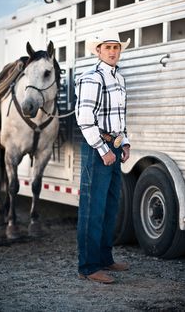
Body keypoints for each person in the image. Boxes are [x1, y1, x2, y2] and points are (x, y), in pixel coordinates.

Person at [75, 28, 131, 284]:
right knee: (92, 209)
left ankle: (105, 258)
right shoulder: (92, 77)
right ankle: (88, 266)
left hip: (114, 146)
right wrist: (103, 149)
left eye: (116, 47)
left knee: (110, 207)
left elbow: (120, 115)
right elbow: (85, 120)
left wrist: (125, 143)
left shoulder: (119, 78)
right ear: (98, 51)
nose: (112, 51)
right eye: (107, 47)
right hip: (97, 148)